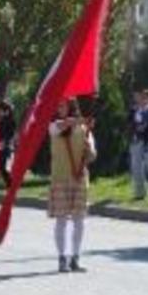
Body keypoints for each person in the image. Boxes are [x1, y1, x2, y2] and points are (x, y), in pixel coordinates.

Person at [48, 99, 96, 273]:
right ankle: (62, 258)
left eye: (63, 105)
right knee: (61, 220)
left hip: (80, 178)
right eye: (59, 106)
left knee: (79, 221)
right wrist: (83, 121)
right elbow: (63, 124)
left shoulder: (84, 130)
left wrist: (89, 150)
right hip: (60, 177)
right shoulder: (53, 126)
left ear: (71, 107)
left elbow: (92, 156)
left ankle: (75, 257)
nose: (60, 108)